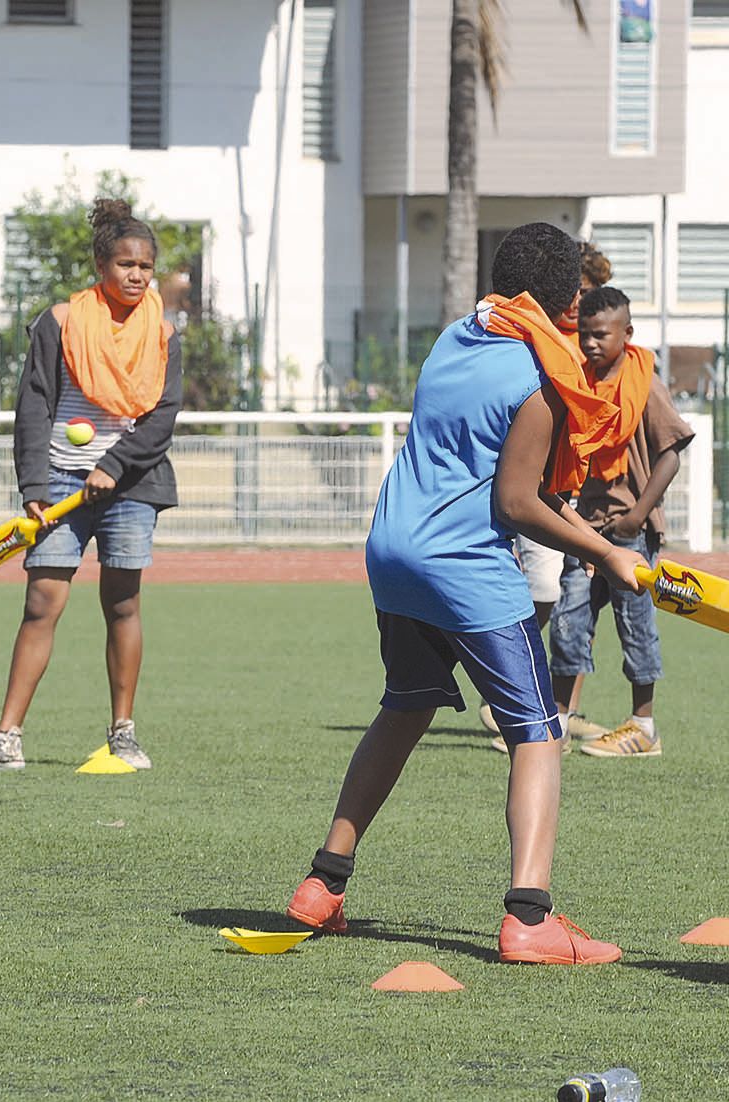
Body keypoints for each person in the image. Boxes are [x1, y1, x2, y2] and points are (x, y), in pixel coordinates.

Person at [283, 222, 644, 965]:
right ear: (565, 300)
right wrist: (606, 550)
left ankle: (321, 887)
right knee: (538, 732)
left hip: (392, 550)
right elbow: (515, 504)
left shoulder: (456, 335)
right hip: (461, 563)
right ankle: (529, 918)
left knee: (406, 707)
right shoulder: (537, 377)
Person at [0, 198, 182, 772]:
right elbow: (34, 405)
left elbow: (162, 414)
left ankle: (123, 734)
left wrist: (116, 464)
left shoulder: (163, 331)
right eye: (126, 264)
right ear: (101, 265)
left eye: (146, 267)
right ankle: (6, 738)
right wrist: (34, 479)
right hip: (60, 481)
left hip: (131, 485)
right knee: (41, 603)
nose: (136, 275)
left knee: (122, 604)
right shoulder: (60, 322)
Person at [552, 286, 695, 758]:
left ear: (627, 333)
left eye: (601, 336)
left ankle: (644, 725)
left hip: (631, 532)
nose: (591, 344)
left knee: (636, 625)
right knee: (569, 621)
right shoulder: (578, 380)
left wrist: (636, 515)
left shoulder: (644, 381)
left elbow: (671, 454)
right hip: (585, 529)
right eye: (585, 335)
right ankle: (559, 723)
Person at [484, 242, 613, 748]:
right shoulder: (531, 349)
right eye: (577, 292)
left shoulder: (596, 349)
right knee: (544, 590)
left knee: (579, 604)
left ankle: (562, 707)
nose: (582, 305)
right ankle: (517, 693)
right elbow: (522, 496)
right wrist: (596, 545)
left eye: (591, 294)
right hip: (539, 490)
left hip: (577, 493)